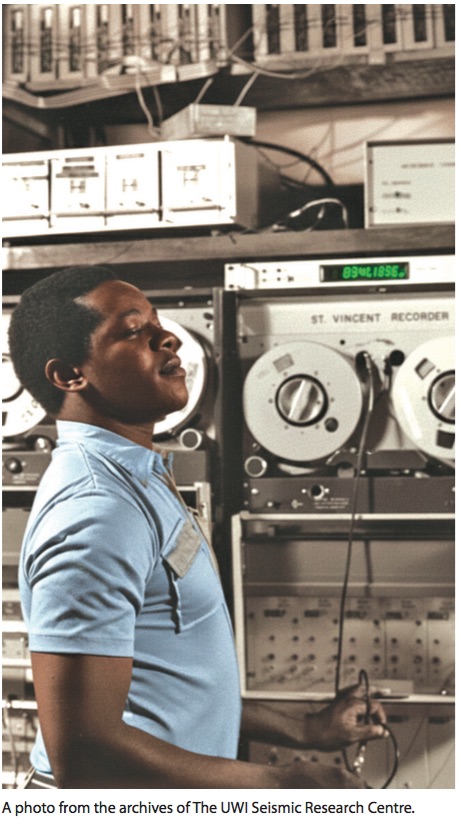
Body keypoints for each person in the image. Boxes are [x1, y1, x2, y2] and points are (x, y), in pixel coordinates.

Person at [8, 266, 386, 789]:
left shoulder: (138, 478)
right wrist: (283, 786)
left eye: (158, 323)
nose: (168, 338)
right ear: (70, 375)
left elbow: (172, 681)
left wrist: (306, 729)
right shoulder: (97, 511)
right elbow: (84, 754)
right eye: (134, 330)